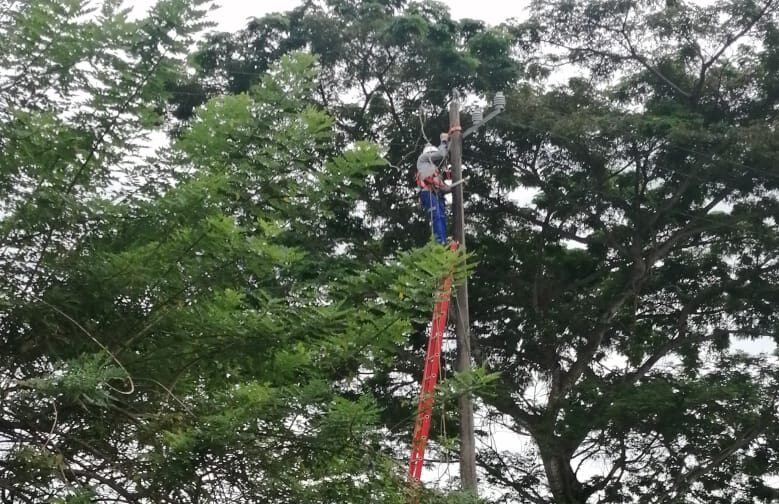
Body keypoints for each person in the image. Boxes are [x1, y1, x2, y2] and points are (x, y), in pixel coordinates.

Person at [416, 133, 451, 244]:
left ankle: (443, 239)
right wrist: (444, 140)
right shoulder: (422, 159)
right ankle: (440, 240)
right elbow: (441, 154)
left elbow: (444, 188)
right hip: (427, 192)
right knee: (436, 216)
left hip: (435, 194)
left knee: (441, 216)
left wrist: (458, 184)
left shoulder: (434, 171)